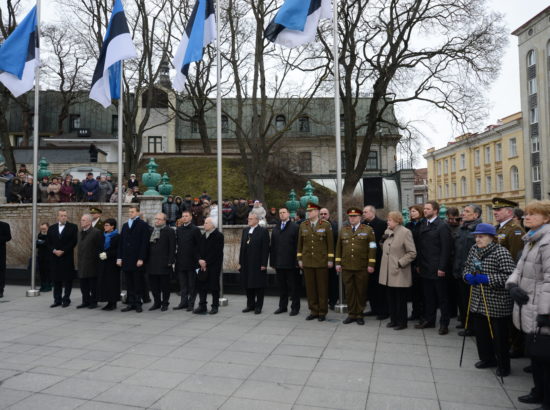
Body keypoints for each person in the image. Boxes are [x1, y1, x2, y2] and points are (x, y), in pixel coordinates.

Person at [506, 200, 550, 407]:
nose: (527, 217)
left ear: (547, 218)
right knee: (536, 355)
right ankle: (537, 391)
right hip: (528, 301)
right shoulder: (531, 239)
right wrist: (512, 285)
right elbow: (519, 267)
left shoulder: (547, 241)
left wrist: (546, 311)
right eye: (526, 214)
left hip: (541, 305)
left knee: (545, 355)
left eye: (533, 214)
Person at [462, 223, 516, 377]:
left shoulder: (501, 252)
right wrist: (467, 276)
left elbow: (510, 276)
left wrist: (487, 278)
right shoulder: (474, 250)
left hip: (496, 302)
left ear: (491, 238)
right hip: (478, 299)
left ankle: (503, 365)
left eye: (481, 236)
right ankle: (487, 358)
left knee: (499, 337)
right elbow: (467, 267)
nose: (477, 239)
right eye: (476, 236)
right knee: (482, 333)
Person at [492, 197, 526, 358]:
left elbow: (515, 256)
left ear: (509, 212)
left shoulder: (515, 230)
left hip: (508, 277)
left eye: (498, 210)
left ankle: (516, 345)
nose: (495, 212)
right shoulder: (499, 228)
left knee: (512, 313)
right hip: (498, 276)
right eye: (494, 210)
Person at [415, 200, 452, 335]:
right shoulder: (423, 224)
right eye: (424, 209)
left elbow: (446, 249)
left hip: (437, 268)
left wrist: (442, 267)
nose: (425, 211)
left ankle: (444, 323)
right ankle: (429, 320)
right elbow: (420, 247)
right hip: (425, 267)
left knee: (442, 298)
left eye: (428, 209)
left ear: (435, 211)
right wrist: (418, 264)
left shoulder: (442, 226)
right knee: (428, 296)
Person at [335, 207, 376, 325]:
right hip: (347, 266)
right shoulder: (343, 230)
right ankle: (351, 314)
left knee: (361, 291)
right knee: (349, 291)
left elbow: (372, 248)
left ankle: (359, 314)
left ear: (360, 218)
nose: (352, 218)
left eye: (355, 216)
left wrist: (371, 264)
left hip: (362, 266)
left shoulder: (368, 230)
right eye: (350, 216)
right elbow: (339, 248)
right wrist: (338, 263)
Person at [379, 211, 417, 330]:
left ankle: (402, 322)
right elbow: (387, 249)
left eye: (390, 220)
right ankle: (393, 320)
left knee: (400, 299)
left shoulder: (405, 232)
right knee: (391, 297)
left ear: (397, 221)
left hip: (400, 271)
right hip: (388, 272)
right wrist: (382, 241)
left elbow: (412, 253)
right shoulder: (387, 232)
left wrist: (400, 263)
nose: (387, 222)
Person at [297, 203, 334, 322]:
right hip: (307, 261)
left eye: (312, 211)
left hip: (321, 261)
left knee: (322, 288)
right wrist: (300, 259)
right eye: (308, 211)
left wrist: (330, 260)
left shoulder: (326, 225)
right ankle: (313, 310)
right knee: (310, 288)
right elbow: (300, 244)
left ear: (317, 212)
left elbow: (330, 245)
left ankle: (322, 311)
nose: (309, 213)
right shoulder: (303, 225)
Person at [452, 204, 482, 334]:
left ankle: (472, 327)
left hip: (471, 271)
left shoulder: (479, 229)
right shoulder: (462, 228)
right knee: (462, 300)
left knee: (471, 301)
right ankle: (465, 322)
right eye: (463, 211)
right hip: (459, 270)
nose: (463, 213)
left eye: (467, 211)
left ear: (476, 215)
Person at [117, 205, 150, 313]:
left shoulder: (143, 225)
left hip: (136, 259)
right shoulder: (125, 225)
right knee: (129, 283)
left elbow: (144, 243)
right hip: (126, 259)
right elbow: (121, 243)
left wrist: (141, 258)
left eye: (132, 211)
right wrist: (119, 257)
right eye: (129, 212)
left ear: (137, 213)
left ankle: (138, 303)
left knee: (137, 282)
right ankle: (130, 303)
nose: (130, 213)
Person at [270, 207, 300, 316]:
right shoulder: (276, 228)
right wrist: (272, 262)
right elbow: (272, 246)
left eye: (284, 212)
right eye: (280, 213)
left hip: (291, 263)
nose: (282, 214)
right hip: (279, 263)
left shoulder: (295, 227)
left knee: (293, 287)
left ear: (288, 214)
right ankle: (282, 307)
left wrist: (297, 261)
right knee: (282, 287)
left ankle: (295, 308)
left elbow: (298, 246)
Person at [239, 213, 270, 314]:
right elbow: (242, 247)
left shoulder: (263, 231)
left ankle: (258, 306)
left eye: (251, 219)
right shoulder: (245, 230)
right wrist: (240, 262)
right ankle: (250, 305)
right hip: (246, 262)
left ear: (257, 220)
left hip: (258, 262)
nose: (249, 220)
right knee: (248, 284)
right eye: (248, 218)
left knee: (258, 285)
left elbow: (265, 249)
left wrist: (264, 264)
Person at [47, 210, 78, 307]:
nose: (64, 217)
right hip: (55, 258)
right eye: (61, 216)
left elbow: (73, 241)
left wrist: (63, 250)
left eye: (65, 215)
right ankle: (57, 300)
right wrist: (54, 250)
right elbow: (48, 242)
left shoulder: (73, 227)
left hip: (67, 257)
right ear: (58, 217)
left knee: (68, 279)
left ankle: (66, 299)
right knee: (56, 280)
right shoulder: (51, 228)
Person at [362, 205, 389, 319]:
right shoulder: (364, 225)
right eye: (363, 212)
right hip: (367, 259)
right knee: (370, 286)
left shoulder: (382, 224)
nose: (363, 214)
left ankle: (383, 311)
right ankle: (374, 308)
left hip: (379, 259)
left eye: (365, 212)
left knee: (380, 287)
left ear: (372, 212)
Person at [194, 217, 224, 314]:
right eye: (204, 222)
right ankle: (202, 305)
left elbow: (217, 252)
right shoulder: (203, 236)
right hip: (202, 265)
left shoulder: (218, 236)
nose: (204, 224)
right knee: (201, 286)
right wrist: (199, 260)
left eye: (206, 223)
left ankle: (215, 306)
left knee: (214, 286)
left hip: (213, 266)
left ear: (213, 225)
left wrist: (205, 262)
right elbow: (197, 250)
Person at [147, 213, 176, 311]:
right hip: (152, 262)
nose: (157, 221)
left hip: (164, 262)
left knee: (165, 286)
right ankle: (157, 302)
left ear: (164, 220)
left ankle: (165, 303)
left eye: (159, 219)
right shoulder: (151, 230)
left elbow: (172, 247)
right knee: (154, 285)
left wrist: (171, 260)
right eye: (156, 219)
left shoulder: (169, 231)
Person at [174, 210, 202, 311]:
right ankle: (183, 302)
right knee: (183, 285)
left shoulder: (195, 230)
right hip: (181, 261)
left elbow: (199, 246)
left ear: (190, 217)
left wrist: (198, 259)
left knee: (192, 285)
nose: (184, 218)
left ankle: (191, 304)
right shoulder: (179, 229)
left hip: (192, 262)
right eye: (183, 216)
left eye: (186, 216)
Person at [76, 214, 103, 309]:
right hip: (82, 263)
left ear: (89, 222)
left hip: (92, 263)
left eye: (83, 220)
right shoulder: (79, 233)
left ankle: (93, 302)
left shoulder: (96, 232)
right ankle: (85, 301)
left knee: (92, 285)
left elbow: (100, 248)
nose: (81, 221)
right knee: (83, 285)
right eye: (81, 220)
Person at [405, 204, 425, 321]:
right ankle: (415, 312)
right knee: (414, 289)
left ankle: (422, 313)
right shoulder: (408, 225)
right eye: (410, 211)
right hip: (410, 260)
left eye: (414, 211)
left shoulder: (423, 224)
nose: (412, 213)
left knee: (421, 289)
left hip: (420, 259)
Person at [98, 218, 120, 311]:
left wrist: (107, 254)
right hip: (103, 262)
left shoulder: (117, 236)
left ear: (112, 226)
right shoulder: (103, 235)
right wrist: (100, 253)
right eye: (105, 225)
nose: (105, 227)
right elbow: (99, 247)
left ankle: (113, 302)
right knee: (105, 282)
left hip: (112, 263)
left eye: (107, 225)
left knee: (112, 283)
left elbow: (118, 250)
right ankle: (108, 301)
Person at [320, 207, 339, 310]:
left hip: (331, 258)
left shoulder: (334, 225)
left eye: (325, 214)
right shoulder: (316, 225)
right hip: (320, 259)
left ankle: (332, 301)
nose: (323, 215)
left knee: (332, 281)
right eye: (321, 214)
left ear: (329, 215)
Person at [37, 223, 51, 292]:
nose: (43, 230)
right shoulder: (39, 234)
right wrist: (41, 242)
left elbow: (48, 244)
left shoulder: (50, 235)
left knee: (47, 272)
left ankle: (48, 286)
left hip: (48, 257)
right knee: (41, 272)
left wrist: (42, 242)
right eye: (42, 229)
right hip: (41, 256)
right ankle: (43, 285)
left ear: (48, 228)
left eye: (44, 229)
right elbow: (37, 244)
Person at [0, 220, 11, 298]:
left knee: (1, 271)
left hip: (0, 252)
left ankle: (0, 290)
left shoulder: (5, 225)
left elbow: (8, 237)